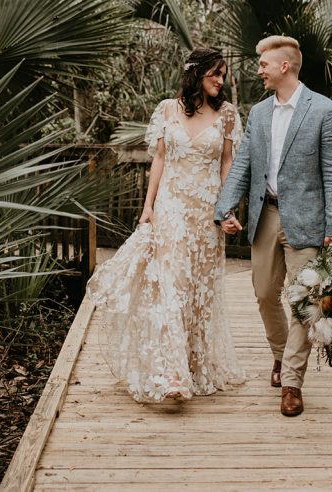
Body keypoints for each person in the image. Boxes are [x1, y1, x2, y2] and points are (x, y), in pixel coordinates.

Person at [86, 47, 246, 403]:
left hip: (206, 213)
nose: (220, 81)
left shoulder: (228, 115)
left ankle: (193, 362)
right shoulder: (166, 109)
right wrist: (148, 209)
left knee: (199, 291)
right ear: (196, 74)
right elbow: (158, 158)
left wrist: (227, 210)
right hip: (171, 209)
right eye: (214, 74)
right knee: (170, 287)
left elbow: (227, 164)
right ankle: (170, 373)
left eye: (223, 75)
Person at [215, 35, 332, 417]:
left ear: (284, 66)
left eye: (264, 65)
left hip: (308, 221)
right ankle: (280, 353)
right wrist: (225, 208)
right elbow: (243, 165)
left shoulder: (324, 111)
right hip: (265, 216)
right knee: (262, 293)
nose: (259, 71)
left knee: (305, 302)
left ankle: (291, 381)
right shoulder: (258, 113)